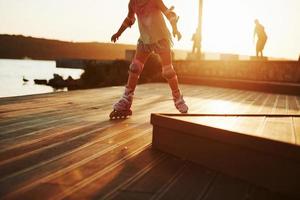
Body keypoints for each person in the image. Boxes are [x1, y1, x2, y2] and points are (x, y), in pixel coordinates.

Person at [110, 0, 188, 119]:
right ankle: (126, 100)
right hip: (145, 40)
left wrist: (175, 28)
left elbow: (169, 14)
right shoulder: (133, 3)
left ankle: (178, 99)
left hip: (161, 38)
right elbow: (129, 19)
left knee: (167, 70)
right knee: (135, 68)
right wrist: (118, 33)